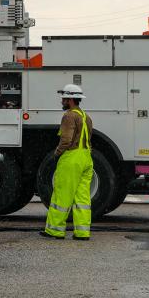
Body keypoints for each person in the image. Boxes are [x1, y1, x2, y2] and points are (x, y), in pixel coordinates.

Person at [42, 84, 94, 241]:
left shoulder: (69, 116)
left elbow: (66, 140)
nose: (62, 101)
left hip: (72, 158)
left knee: (62, 196)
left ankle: (55, 231)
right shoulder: (86, 117)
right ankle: (82, 232)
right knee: (82, 198)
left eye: (64, 98)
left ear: (70, 99)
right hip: (86, 157)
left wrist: (56, 154)